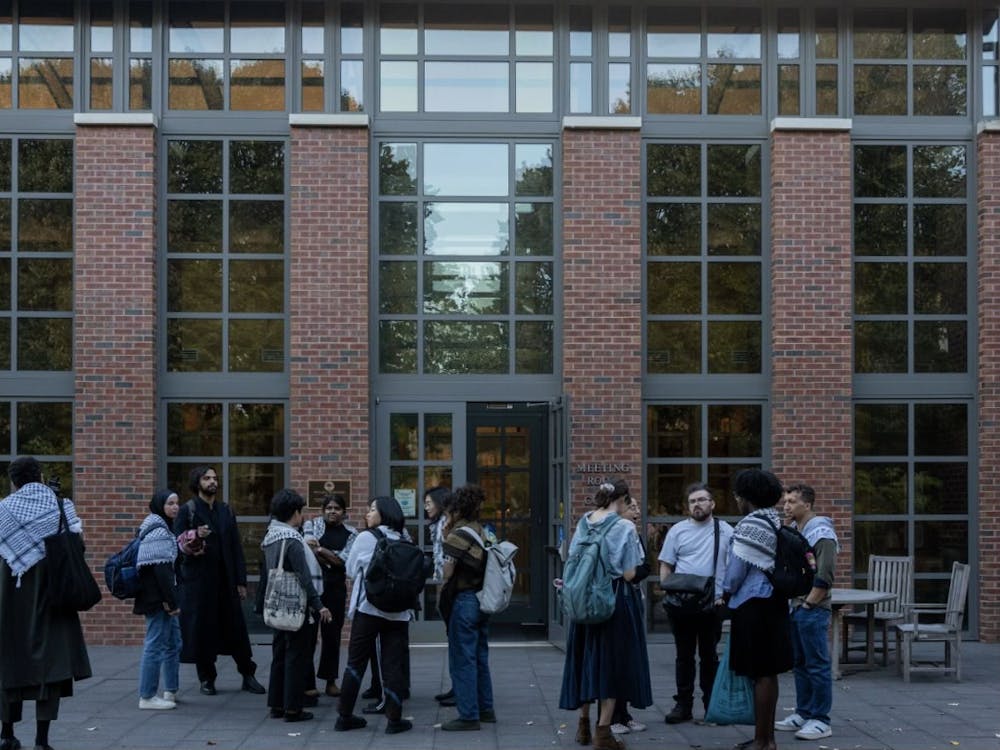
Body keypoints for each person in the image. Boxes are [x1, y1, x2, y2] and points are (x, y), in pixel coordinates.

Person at [0, 456, 92, 750]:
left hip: (10, 597)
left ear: (14, 482)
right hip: (53, 596)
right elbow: (79, 545)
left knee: (7, 663)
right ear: (39, 476)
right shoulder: (61, 507)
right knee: (51, 667)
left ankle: (7, 735)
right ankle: (42, 741)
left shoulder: (3, 510)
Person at [559, 479, 652, 750]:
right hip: (612, 601)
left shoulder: (585, 521)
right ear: (622, 500)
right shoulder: (624, 526)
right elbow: (629, 572)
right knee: (611, 664)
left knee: (585, 659)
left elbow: (571, 557)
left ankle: (583, 726)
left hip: (584, 600)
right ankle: (603, 733)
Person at [173, 465, 265, 696]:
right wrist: (196, 536)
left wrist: (241, 581)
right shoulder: (188, 510)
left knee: (236, 630)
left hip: (225, 581)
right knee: (203, 630)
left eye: (214, 478)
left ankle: (247, 674)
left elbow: (235, 547)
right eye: (207, 478)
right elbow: (177, 545)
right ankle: (207, 678)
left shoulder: (226, 511)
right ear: (198, 482)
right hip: (199, 582)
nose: (212, 482)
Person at [723, 469, 793, 750]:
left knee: (760, 672)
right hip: (773, 603)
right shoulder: (773, 520)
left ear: (747, 496)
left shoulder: (752, 524)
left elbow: (736, 572)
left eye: (738, 494)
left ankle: (764, 741)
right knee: (767, 672)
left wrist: (723, 594)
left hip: (754, 604)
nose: (736, 499)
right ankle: (764, 738)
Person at [335, 496, 413, 735]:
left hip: (368, 608)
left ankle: (345, 716)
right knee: (393, 665)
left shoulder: (366, 537)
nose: (367, 515)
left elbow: (349, 570)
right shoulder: (405, 538)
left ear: (383, 514)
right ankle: (394, 720)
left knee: (355, 662)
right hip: (398, 611)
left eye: (371, 510)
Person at [657, 482, 734, 724]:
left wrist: (726, 595)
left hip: (713, 602)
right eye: (692, 501)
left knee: (709, 656)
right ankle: (683, 704)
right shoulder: (678, 531)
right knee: (684, 656)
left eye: (701, 500)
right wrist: (668, 593)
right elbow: (666, 565)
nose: (697, 504)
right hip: (681, 603)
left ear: (712, 503)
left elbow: (733, 567)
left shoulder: (726, 530)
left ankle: (711, 704)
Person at [261, 489, 332, 723]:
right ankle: (293, 708)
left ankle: (276, 705)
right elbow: (304, 577)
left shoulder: (270, 536)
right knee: (296, 656)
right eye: (301, 512)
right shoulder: (292, 540)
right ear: (295, 513)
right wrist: (319, 605)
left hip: (277, 602)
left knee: (279, 653)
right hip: (295, 605)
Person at [775, 483, 838, 741]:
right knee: (800, 664)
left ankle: (821, 719)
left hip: (811, 609)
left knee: (817, 665)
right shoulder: (793, 530)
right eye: (785, 501)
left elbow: (825, 576)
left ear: (807, 505)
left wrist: (809, 604)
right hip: (796, 606)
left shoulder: (821, 534)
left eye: (791, 501)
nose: (786, 506)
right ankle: (803, 712)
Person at [436, 484, 495, 731]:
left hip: (464, 600)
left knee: (463, 659)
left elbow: (447, 571)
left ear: (457, 509)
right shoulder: (480, 531)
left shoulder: (458, 535)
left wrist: (446, 535)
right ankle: (485, 709)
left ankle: (468, 715)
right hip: (482, 599)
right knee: (480, 656)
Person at [303, 493, 357, 698]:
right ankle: (308, 683)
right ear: (323, 510)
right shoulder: (313, 525)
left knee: (332, 636)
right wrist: (329, 555)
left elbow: (342, 562)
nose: (332, 511)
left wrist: (321, 550)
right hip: (314, 588)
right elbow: (308, 545)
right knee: (308, 635)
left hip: (335, 589)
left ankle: (330, 681)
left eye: (336, 508)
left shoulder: (351, 533)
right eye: (328, 508)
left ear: (344, 512)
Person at [134, 489, 182, 710]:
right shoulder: (159, 531)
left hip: (160, 596)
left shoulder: (159, 527)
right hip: (157, 599)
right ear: (160, 506)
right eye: (170, 503)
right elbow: (162, 571)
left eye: (177, 503)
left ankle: (170, 690)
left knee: (173, 642)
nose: (175, 507)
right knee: (155, 644)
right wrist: (171, 602)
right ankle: (147, 696)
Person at [610, 493, 653, 736]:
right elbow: (630, 572)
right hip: (618, 598)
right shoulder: (618, 534)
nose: (636, 512)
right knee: (616, 658)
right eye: (632, 507)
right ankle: (611, 717)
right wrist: (637, 571)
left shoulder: (633, 535)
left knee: (629, 658)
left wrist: (638, 571)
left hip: (632, 598)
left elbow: (645, 566)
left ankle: (624, 714)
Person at [424, 485, 456, 707]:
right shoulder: (438, 524)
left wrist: (444, 584)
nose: (426, 507)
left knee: (455, 637)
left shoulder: (447, 524)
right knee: (452, 636)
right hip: (441, 580)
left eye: (428, 502)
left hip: (449, 583)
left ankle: (459, 689)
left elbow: (448, 557)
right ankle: (456, 686)